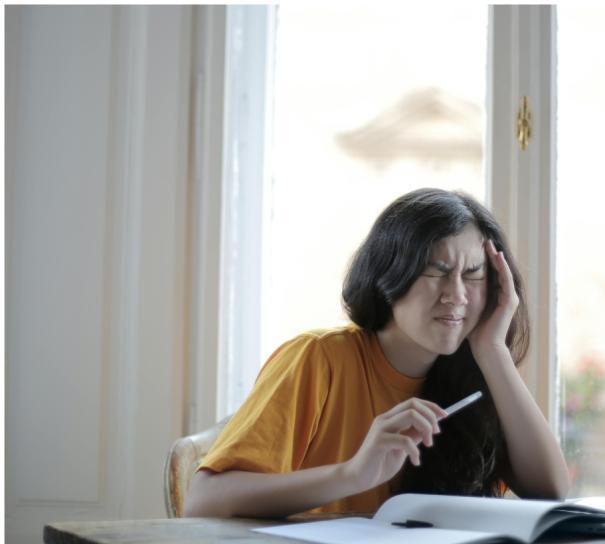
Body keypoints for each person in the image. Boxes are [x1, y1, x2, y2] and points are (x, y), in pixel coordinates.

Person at [184, 188, 569, 518]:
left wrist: (493, 350)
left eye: (473, 274)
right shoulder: (318, 359)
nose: (457, 294)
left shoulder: (477, 373)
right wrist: (352, 474)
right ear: (390, 274)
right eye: (436, 271)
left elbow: (550, 490)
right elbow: (202, 502)